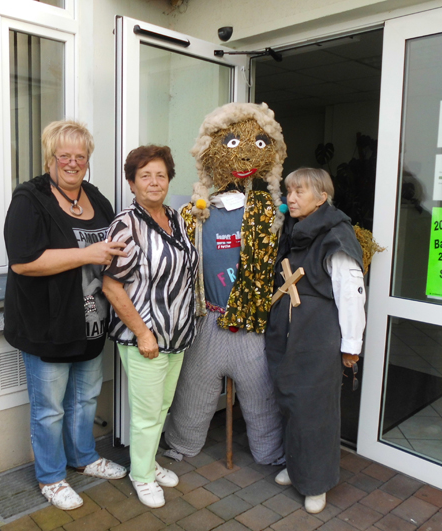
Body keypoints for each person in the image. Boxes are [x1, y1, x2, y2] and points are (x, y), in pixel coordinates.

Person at [3, 120, 128, 511]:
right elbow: (23, 262)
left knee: (86, 398)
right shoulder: (30, 199)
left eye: (81, 156)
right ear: (50, 158)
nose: (73, 163)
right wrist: (87, 254)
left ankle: (83, 457)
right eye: (64, 156)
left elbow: (115, 243)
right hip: (47, 325)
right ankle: (51, 477)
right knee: (50, 409)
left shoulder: (95, 197)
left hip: (90, 321)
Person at [164, 102, 285, 466]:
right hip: (207, 321)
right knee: (193, 391)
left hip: (251, 324)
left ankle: (270, 450)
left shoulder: (268, 212)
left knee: (261, 395)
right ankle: (182, 442)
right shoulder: (193, 215)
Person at [265, 167, 366, 514]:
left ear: (322, 197)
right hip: (290, 333)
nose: (291, 198)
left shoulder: (336, 235)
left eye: (300, 192)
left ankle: (316, 482)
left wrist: (351, 345)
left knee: (315, 410)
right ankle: (298, 468)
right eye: (289, 191)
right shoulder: (295, 229)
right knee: (291, 402)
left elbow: (351, 293)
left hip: (317, 335)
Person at [102, 145, 198, 508]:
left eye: (161, 175)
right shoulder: (126, 225)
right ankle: (141, 475)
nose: (154, 182)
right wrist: (143, 333)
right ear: (132, 183)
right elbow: (111, 286)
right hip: (144, 336)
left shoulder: (176, 217)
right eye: (145, 176)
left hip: (177, 334)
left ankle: (147, 462)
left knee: (161, 408)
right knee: (146, 413)